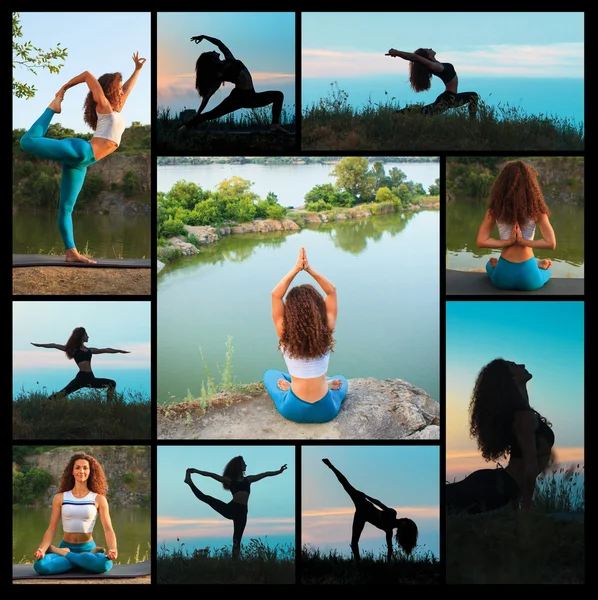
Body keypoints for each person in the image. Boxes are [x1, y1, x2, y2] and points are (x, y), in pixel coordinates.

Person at [19, 52, 146, 264]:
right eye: (118, 84)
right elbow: (87, 75)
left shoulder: (115, 108)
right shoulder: (103, 105)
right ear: (110, 87)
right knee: (27, 141)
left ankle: (71, 253)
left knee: (66, 208)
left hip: (83, 163)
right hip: (80, 151)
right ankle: (53, 107)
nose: (121, 88)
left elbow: (128, 90)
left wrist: (137, 70)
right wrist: (63, 90)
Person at [446, 358, 555, 515]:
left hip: (498, 485)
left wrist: (515, 503)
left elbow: (524, 467)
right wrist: (526, 510)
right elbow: (530, 469)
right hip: (495, 488)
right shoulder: (523, 417)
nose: (522, 365)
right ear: (509, 378)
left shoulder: (521, 413)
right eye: (513, 365)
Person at [263, 247, 348, 424]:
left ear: (291, 312)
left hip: (293, 409)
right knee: (342, 380)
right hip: (326, 411)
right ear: (318, 309)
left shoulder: (285, 335)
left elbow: (275, 295)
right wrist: (308, 269)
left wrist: (296, 269)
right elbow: (331, 291)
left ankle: (292, 387)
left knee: (271, 374)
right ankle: (326, 385)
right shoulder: (326, 331)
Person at [178, 35, 290, 134]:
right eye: (211, 52)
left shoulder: (229, 59)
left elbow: (219, 43)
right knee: (213, 114)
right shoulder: (219, 75)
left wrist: (204, 37)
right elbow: (207, 96)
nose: (213, 50)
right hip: (237, 97)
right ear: (211, 59)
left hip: (251, 96)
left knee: (278, 95)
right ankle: (185, 127)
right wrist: (198, 112)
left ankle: (275, 125)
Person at [184, 456, 287, 559]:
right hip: (231, 509)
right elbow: (211, 475)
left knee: (237, 540)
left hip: (242, 512)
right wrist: (196, 471)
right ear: (238, 466)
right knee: (207, 498)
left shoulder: (248, 480)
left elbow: (264, 474)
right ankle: (190, 483)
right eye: (244, 463)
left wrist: (279, 471)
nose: (246, 465)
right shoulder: (230, 481)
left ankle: (235, 564)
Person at [32, 452, 117, 575]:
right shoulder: (60, 498)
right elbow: (52, 528)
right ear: (72, 471)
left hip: (87, 547)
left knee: (105, 565)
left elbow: (108, 529)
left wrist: (113, 549)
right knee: (41, 566)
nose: (81, 471)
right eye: (77, 467)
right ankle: (86, 558)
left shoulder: (98, 499)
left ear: (90, 472)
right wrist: (42, 548)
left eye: (85, 468)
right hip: (66, 545)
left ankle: (63, 554)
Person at [476, 160, 556, 291]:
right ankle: (536, 264)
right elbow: (551, 243)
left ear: (501, 185)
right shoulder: (538, 211)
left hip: (503, 277)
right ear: (531, 185)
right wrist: (523, 241)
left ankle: (500, 264)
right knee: (548, 273)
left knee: (488, 266)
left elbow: (481, 241)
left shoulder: (495, 211)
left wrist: (509, 241)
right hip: (529, 277)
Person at [321, 458, 418, 561]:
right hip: (364, 505)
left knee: (354, 543)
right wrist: (366, 496)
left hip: (361, 516)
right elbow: (379, 503)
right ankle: (330, 466)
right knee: (346, 485)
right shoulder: (392, 514)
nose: (402, 524)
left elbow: (390, 549)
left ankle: (358, 564)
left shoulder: (389, 531)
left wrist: (389, 562)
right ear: (404, 521)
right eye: (405, 523)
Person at [31, 326, 130, 401]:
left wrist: (119, 351)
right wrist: (40, 345)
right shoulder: (73, 350)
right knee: (62, 394)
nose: (88, 336)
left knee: (112, 383)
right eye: (86, 334)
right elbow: (54, 345)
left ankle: (109, 406)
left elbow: (105, 350)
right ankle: (44, 404)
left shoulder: (89, 350)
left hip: (90, 378)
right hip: (81, 378)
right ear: (81, 337)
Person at [386, 47, 479, 118]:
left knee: (423, 112)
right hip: (448, 98)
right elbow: (415, 58)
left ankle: (396, 115)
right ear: (426, 56)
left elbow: (417, 59)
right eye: (427, 49)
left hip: (449, 98)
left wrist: (432, 58)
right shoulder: (436, 67)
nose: (430, 48)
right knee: (421, 113)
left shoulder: (437, 65)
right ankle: (395, 115)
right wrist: (397, 53)